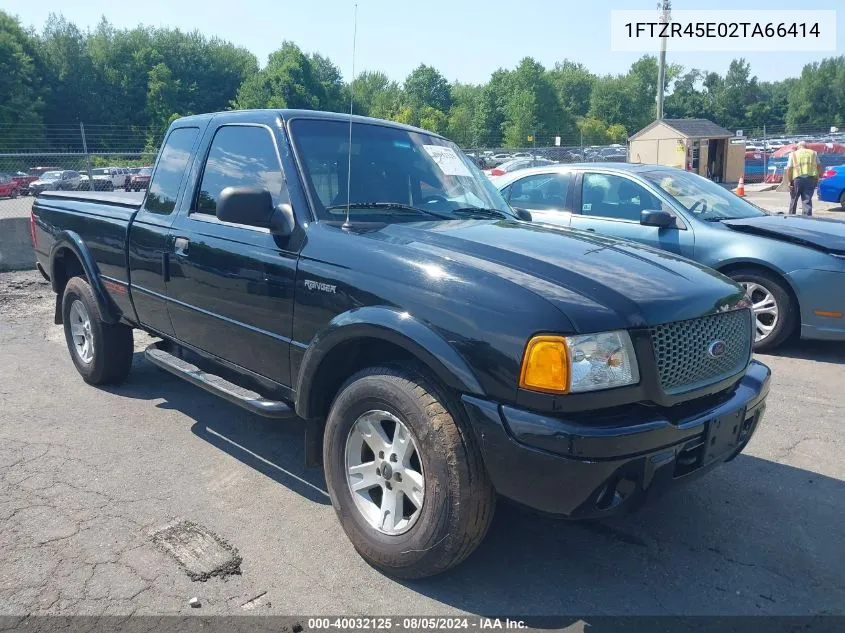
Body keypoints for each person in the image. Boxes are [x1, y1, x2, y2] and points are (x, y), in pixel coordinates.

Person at [786, 141, 823, 216]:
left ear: (798, 147)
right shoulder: (813, 153)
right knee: (807, 200)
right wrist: (818, 177)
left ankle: (791, 217)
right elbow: (819, 166)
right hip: (810, 179)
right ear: (806, 146)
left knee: (794, 199)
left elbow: (789, 169)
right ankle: (807, 219)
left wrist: (790, 181)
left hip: (797, 179)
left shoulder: (793, 154)